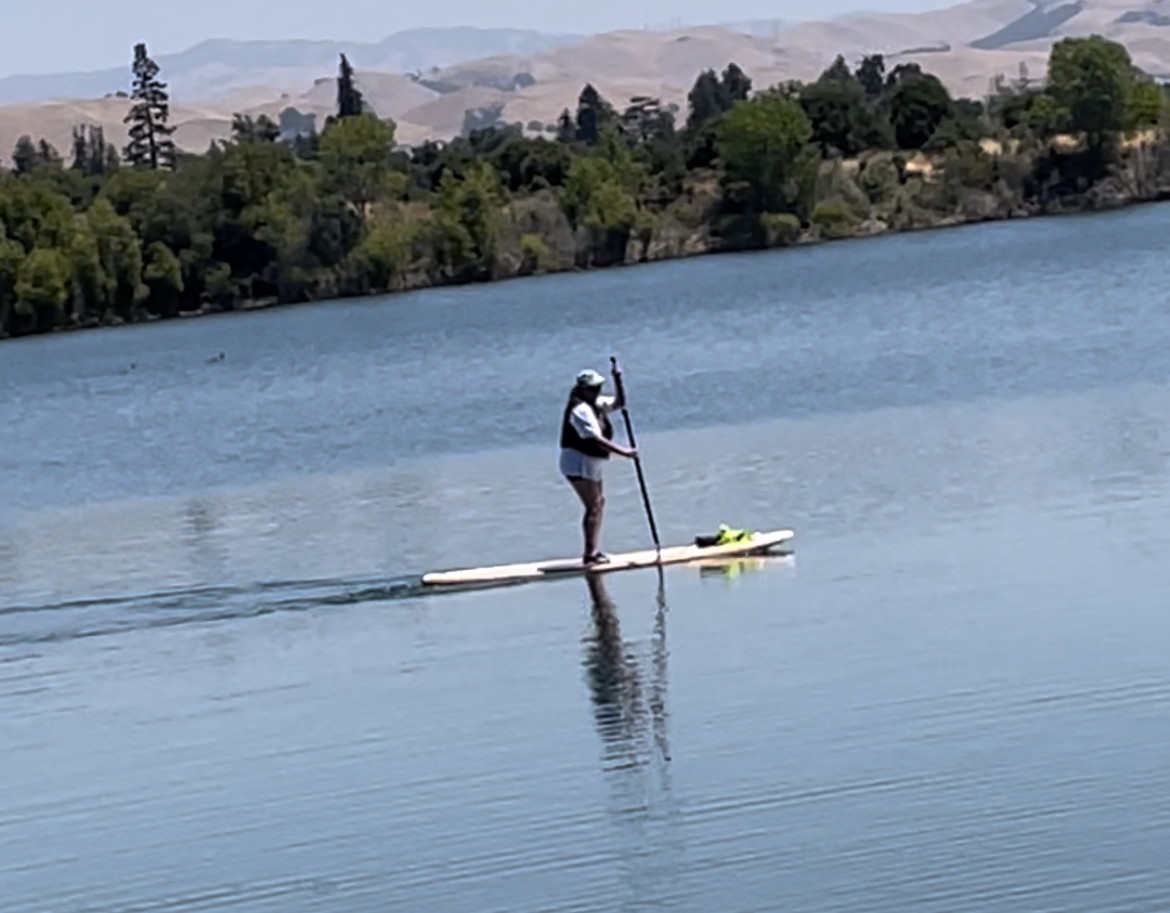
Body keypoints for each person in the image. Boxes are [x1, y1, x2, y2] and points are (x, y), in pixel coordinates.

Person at [560, 367, 638, 565]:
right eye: (593, 388)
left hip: (592, 462)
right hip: (577, 461)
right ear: (582, 389)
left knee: (599, 503)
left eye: (599, 387)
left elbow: (619, 403)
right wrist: (624, 452)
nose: (596, 391)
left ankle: (593, 552)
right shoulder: (580, 409)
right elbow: (595, 439)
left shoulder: (594, 402)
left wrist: (618, 379)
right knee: (593, 506)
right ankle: (590, 555)